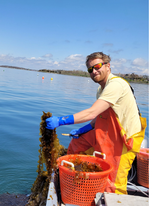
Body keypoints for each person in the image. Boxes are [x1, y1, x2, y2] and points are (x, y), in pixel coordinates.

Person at [45, 52, 146, 194]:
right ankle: (79, 181)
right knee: (77, 144)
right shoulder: (101, 89)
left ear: (108, 66)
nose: (94, 71)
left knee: (113, 184)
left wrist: (61, 121)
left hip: (124, 141)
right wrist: (85, 129)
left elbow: (92, 112)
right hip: (106, 134)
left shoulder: (116, 84)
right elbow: (99, 115)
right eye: (90, 69)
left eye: (97, 66)